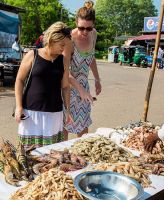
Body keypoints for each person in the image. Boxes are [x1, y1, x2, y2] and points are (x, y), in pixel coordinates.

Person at [15, 22, 72, 149]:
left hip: (54, 114)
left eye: (65, 45)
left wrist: (67, 110)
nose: (64, 48)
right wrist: (19, 107)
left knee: (52, 154)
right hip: (31, 113)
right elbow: (19, 80)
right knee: (28, 153)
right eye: (61, 45)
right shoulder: (32, 55)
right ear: (52, 39)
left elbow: (65, 87)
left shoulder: (63, 60)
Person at [63, 1, 102, 140]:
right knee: (65, 124)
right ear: (76, 24)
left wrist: (97, 79)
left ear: (93, 26)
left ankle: (81, 156)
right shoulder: (69, 40)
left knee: (83, 125)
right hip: (68, 87)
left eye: (88, 28)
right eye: (81, 28)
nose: (85, 32)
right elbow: (64, 71)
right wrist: (80, 90)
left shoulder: (94, 35)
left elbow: (91, 58)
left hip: (84, 86)